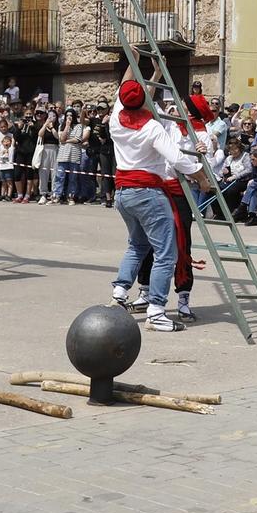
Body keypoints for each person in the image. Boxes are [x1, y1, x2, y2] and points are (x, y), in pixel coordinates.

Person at [107, 79, 208, 332]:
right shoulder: (152, 127)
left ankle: (119, 295)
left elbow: (125, 89)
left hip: (122, 193)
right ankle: (156, 311)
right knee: (166, 253)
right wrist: (202, 178)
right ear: (146, 101)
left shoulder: (115, 120)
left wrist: (138, 60)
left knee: (137, 245)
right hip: (147, 193)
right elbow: (177, 158)